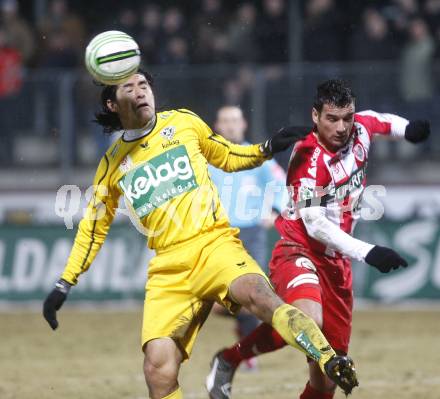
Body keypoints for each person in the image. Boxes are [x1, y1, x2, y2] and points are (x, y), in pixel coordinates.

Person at [42, 71, 359, 399]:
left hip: (214, 244)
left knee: (260, 296)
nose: (141, 92)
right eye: (129, 87)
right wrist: (65, 282)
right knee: (157, 368)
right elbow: (93, 228)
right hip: (168, 268)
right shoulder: (112, 165)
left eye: (144, 85)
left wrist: (265, 149)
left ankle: (330, 359)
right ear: (112, 103)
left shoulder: (182, 123)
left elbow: (226, 155)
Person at [207, 79, 430, 399]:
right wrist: (369, 252)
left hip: (336, 262)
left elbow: (381, 119)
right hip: (300, 249)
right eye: (332, 119)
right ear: (315, 116)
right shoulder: (307, 159)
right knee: (306, 319)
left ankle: (233, 358)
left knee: (327, 377)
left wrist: (408, 129)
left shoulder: (359, 128)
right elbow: (316, 227)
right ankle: (230, 359)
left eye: (347, 117)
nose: (342, 127)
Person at [209, 105, 287, 371]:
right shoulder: (207, 159)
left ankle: (244, 352)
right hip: (216, 234)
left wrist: (275, 210)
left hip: (251, 233)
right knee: (212, 301)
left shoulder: (259, 157)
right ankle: (243, 338)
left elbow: (282, 185)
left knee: (250, 293)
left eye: (235, 120)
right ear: (217, 126)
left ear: (243, 125)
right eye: (225, 120)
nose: (230, 125)